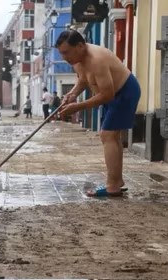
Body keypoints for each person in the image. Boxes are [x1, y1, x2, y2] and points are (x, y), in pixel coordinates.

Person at [55, 29, 141, 198]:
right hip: (112, 94)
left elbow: (107, 95)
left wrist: (78, 107)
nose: (64, 57)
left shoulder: (97, 59)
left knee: (107, 135)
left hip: (124, 91)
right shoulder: (77, 59)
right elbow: (83, 79)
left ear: (80, 46)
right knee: (111, 136)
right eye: (61, 53)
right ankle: (117, 181)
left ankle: (112, 186)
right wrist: (72, 94)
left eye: (66, 52)